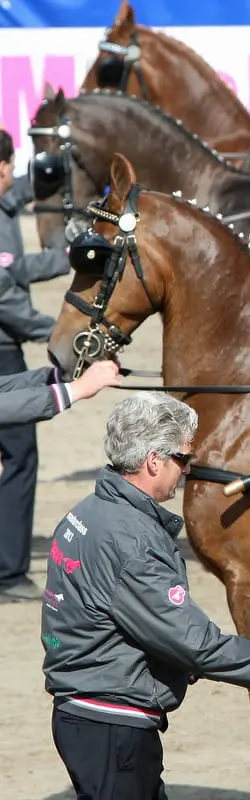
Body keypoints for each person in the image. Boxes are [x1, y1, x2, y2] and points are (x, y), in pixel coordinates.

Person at [42, 392, 250, 799]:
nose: (186, 471)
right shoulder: (133, 541)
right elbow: (196, 645)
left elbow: (131, 625)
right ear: (152, 461)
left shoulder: (84, 514)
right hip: (114, 727)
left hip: (85, 713)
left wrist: (236, 666)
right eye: (182, 458)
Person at [0, 128, 72, 602]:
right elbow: (5, 296)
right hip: (4, 351)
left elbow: (17, 270)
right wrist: (57, 330)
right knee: (19, 456)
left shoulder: (5, 206)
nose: (13, 176)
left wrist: (66, 256)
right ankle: (8, 572)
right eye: (8, 167)